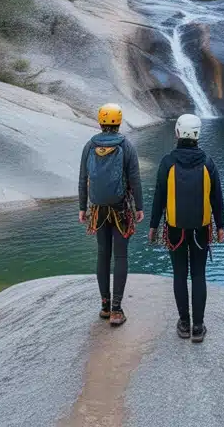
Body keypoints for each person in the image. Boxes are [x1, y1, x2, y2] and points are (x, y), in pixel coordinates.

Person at [148, 114, 224, 343]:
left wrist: (153, 226)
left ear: (177, 133)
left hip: (175, 230)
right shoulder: (208, 163)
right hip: (201, 229)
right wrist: (220, 226)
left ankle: (184, 323)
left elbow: (159, 197)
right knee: (199, 275)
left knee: (180, 275)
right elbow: (217, 197)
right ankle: (198, 327)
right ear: (198, 134)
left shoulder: (167, 163)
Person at [79, 102, 144, 326]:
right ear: (119, 122)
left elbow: (83, 179)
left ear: (100, 121)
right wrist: (140, 207)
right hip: (121, 207)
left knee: (103, 254)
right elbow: (135, 179)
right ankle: (117, 310)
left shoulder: (90, 145)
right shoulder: (126, 145)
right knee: (121, 257)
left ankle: (105, 306)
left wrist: (82, 207)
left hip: (98, 208)